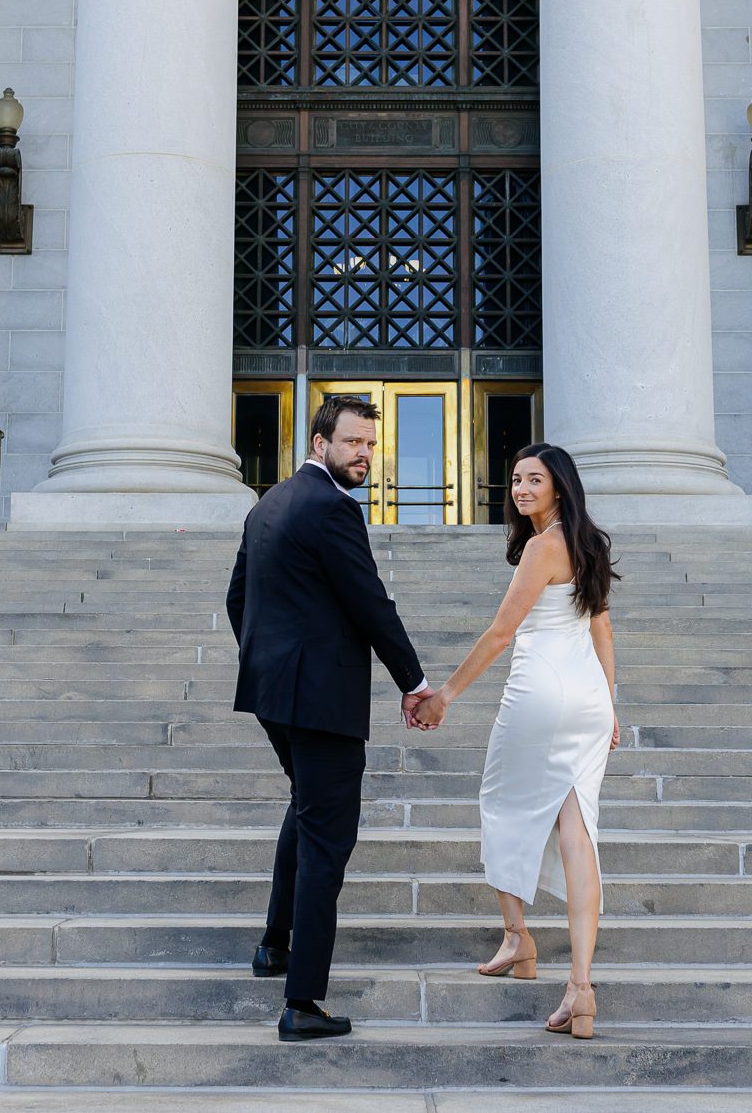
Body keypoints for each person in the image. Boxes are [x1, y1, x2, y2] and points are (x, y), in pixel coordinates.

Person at [226, 394, 434, 1042]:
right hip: (320, 701)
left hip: (274, 694)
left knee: (307, 809)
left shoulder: (268, 503)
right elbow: (370, 602)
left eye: (370, 444)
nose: (364, 454)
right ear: (320, 443)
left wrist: (269, 662)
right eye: (352, 442)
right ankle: (302, 1002)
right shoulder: (331, 507)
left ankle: (275, 944)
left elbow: (238, 598)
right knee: (327, 840)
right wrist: (415, 683)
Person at [410, 443, 619, 1039]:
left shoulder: (542, 547)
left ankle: (517, 937)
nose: (522, 489)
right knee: (579, 832)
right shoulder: (588, 544)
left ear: (559, 487)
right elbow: (602, 628)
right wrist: (611, 704)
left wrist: (445, 696)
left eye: (535, 480)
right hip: (587, 699)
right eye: (517, 479)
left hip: (540, 696)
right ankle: (580, 987)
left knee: (501, 805)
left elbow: (502, 633)